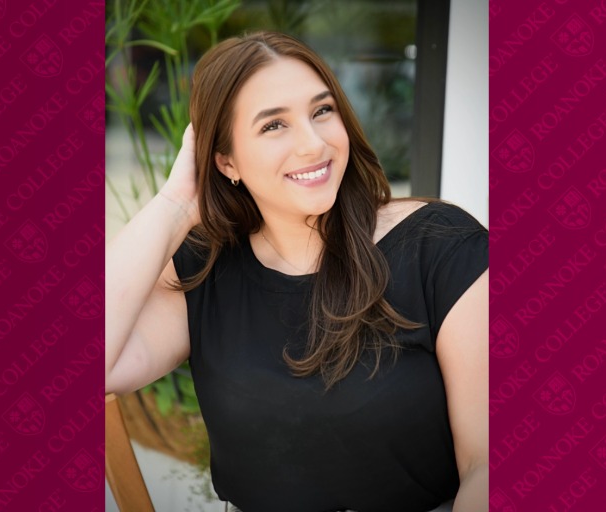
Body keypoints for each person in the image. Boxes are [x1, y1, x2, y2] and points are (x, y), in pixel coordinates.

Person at [106, 31, 488, 512]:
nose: (313, 144)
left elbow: (487, 465)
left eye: (322, 111)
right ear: (226, 162)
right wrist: (177, 203)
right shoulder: (207, 269)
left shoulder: (442, 247)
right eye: (273, 126)